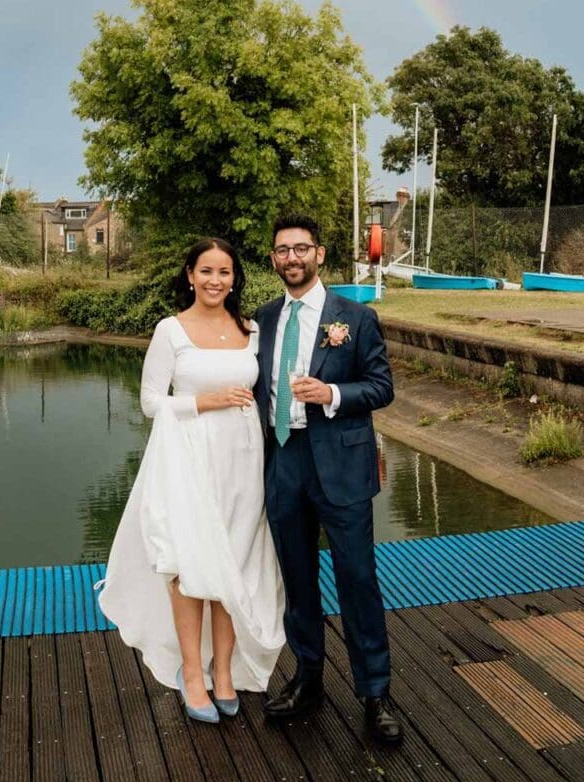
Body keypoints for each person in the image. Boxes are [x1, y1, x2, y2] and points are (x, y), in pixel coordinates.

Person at [97, 238, 286, 723]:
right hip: (186, 458)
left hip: (242, 461)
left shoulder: (251, 330)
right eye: (206, 271)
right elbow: (150, 401)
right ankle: (191, 672)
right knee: (188, 565)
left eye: (224, 272)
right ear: (189, 275)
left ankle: (224, 671)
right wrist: (205, 401)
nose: (215, 280)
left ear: (234, 279)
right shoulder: (170, 331)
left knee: (234, 563)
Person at [253, 213, 403, 747]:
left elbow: (381, 388)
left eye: (300, 249)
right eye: (281, 250)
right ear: (273, 260)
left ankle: (375, 693)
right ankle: (308, 680)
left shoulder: (354, 318)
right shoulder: (263, 320)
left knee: (358, 580)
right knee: (297, 580)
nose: (291, 258)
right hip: (285, 463)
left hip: (341, 465)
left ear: (319, 255)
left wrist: (333, 395)